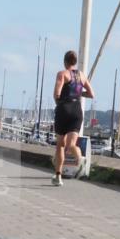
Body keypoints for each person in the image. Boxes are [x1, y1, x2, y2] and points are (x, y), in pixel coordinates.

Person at [51, 50, 94, 186]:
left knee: (60, 145)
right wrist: (79, 94)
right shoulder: (81, 75)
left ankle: (58, 177)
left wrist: (60, 104)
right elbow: (91, 94)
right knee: (71, 145)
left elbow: (56, 94)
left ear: (65, 62)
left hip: (64, 109)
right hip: (77, 110)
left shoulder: (62, 74)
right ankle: (80, 158)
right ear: (74, 62)